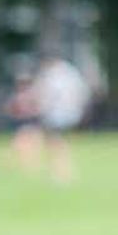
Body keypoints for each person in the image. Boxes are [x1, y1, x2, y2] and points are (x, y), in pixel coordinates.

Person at [11, 52, 89, 184]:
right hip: (70, 113)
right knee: (53, 142)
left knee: (54, 143)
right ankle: (59, 170)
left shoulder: (53, 75)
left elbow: (47, 95)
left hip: (57, 114)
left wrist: (40, 107)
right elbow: (82, 92)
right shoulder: (70, 72)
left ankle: (61, 171)